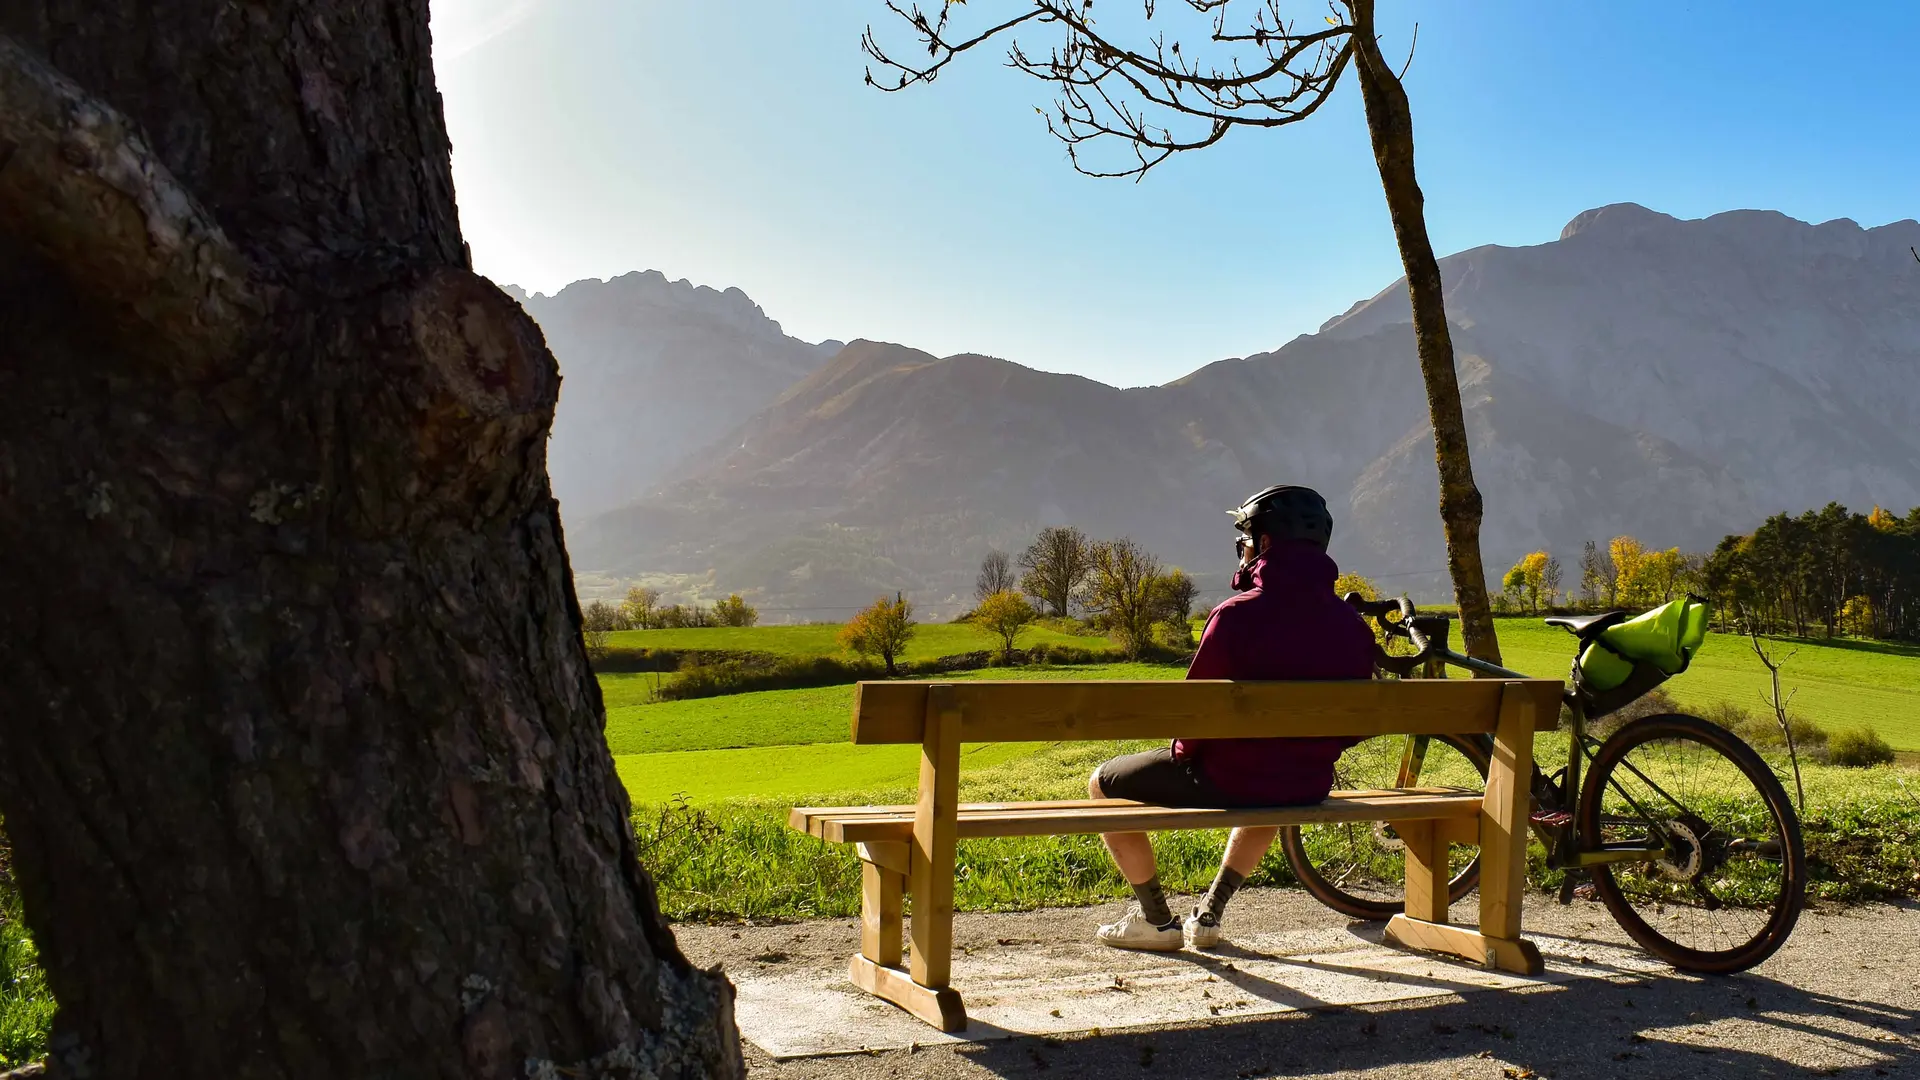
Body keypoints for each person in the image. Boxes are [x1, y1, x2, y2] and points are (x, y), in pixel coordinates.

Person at [1088, 484, 1377, 950]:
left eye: (1245, 538)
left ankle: (1157, 921)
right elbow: (1358, 724)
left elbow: (1195, 715)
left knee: (1102, 783)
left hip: (1226, 778)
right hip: (1307, 782)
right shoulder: (1351, 626)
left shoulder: (1235, 616)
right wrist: (1310, 751)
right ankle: (1209, 916)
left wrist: (1184, 756)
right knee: (1275, 785)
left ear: (1263, 544)